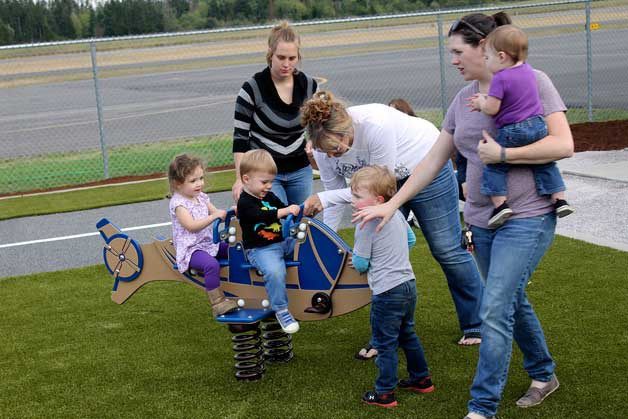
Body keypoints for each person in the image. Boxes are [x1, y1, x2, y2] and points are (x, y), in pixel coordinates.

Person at [353, 12, 572, 419]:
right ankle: (544, 373)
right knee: (510, 299)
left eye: (458, 51)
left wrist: (505, 154)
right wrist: (391, 203)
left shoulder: (533, 81)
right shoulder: (462, 100)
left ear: (485, 47)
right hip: (482, 220)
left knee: (494, 306)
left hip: (528, 214)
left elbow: (563, 144)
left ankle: (482, 407)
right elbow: (433, 159)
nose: (453, 59)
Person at [301, 90, 485, 351]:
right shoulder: (323, 151)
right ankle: (386, 334)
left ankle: (476, 321)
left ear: (345, 130)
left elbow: (380, 185)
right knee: (379, 258)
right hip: (380, 183)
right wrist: (327, 242)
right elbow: (337, 203)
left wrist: (326, 197)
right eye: (323, 151)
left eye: (335, 148)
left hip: (425, 169)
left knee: (446, 249)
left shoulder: (375, 125)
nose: (331, 156)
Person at [468, 24, 574, 228]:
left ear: (501, 56)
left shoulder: (500, 78)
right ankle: (559, 199)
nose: (486, 62)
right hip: (537, 125)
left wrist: (481, 102)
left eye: (487, 58)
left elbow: (492, 108)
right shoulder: (528, 71)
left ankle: (501, 205)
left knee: (494, 166)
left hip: (514, 129)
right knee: (544, 163)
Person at [350, 165, 434, 408]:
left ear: (377, 199)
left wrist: (363, 261)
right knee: (407, 334)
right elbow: (411, 239)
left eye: (357, 195)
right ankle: (422, 379)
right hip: (408, 284)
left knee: (384, 342)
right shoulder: (395, 212)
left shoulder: (365, 222)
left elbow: (360, 262)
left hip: (386, 291)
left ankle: (385, 392)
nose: (353, 200)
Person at [232, 21, 318, 207]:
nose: (286, 64)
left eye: (292, 58)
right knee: (276, 225)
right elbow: (240, 138)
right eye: (281, 57)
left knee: (301, 223)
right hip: (265, 173)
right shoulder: (252, 88)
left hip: (300, 169)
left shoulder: (310, 86)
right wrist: (239, 178)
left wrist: (313, 140)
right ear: (270, 54)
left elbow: (318, 126)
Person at [236, 149, 302, 334]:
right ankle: (281, 309)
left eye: (271, 182)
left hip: (281, 242)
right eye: (264, 182)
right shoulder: (245, 202)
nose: (269, 186)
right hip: (260, 250)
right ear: (246, 179)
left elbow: (283, 207)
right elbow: (261, 215)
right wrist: (283, 212)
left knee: (306, 244)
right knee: (274, 271)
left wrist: (295, 209)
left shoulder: (268, 196)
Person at [168, 154, 237, 317]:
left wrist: (232, 211)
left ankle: (246, 286)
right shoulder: (178, 204)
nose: (199, 183)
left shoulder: (201, 197)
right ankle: (218, 303)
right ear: (178, 183)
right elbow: (191, 226)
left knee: (236, 250)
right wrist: (213, 217)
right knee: (211, 265)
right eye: (193, 181)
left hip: (208, 243)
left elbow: (218, 213)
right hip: (191, 249)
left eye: (201, 178)